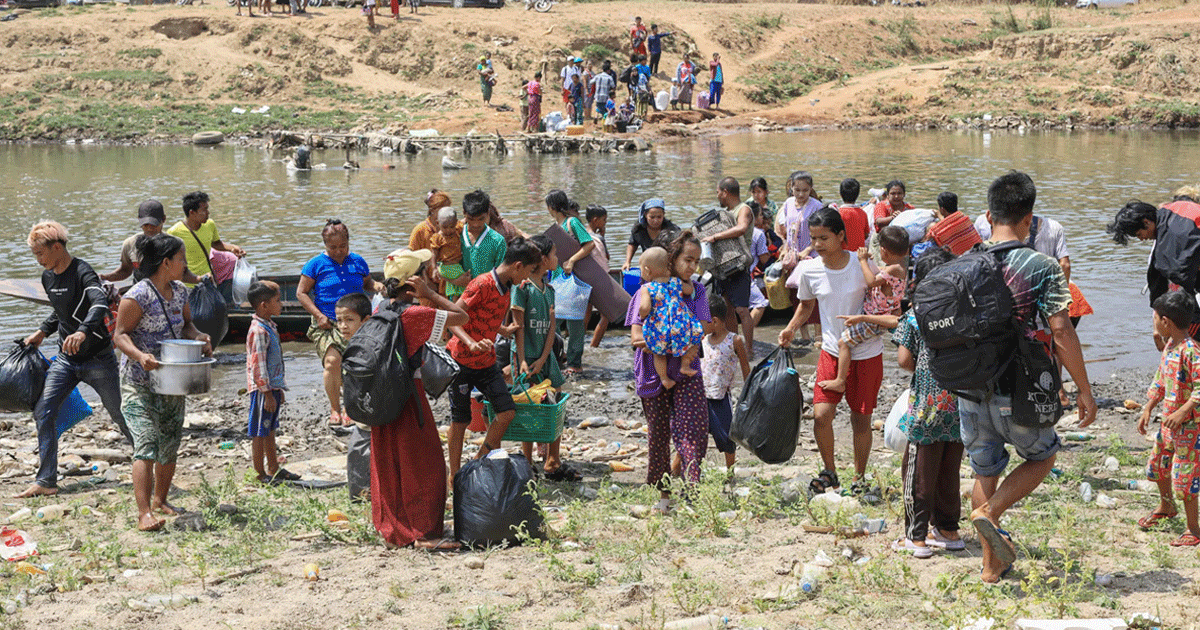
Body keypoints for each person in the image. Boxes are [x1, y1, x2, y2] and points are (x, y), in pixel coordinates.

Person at [960, 171, 1096, 583]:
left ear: (988, 214)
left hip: (969, 385)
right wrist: (1083, 390)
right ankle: (990, 511)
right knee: (1043, 454)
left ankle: (990, 567)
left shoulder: (965, 261)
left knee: (985, 470)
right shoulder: (1042, 266)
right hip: (1017, 386)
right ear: (1029, 219)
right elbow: (1061, 331)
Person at [15, 222, 132, 500]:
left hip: (98, 358)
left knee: (118, 413)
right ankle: (46, 480)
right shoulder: (48, 277)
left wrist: (82, 331)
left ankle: (149, 459)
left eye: (40, 253)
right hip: (66, 360)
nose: (38, 259)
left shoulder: (82, 271)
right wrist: (42, 331)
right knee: (44, 411)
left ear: (57, 248)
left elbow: (99, 303)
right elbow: (61, 313)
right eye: (35, 255)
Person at [779, 208, 885, 495]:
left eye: (824, 238)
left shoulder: (861, 265)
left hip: (866, 352)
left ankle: (859, 478)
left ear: (841, 236)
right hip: (830, 351)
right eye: (813, 239)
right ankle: (830, 472)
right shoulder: (810, 269)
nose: (818, 245)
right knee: (822, 415)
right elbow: (806, 305)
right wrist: (790, 328)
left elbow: (884, 295)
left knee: (860, 419)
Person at [112, 234, 212, 531]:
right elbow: (119, 335)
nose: (185, 265)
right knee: (145, 443)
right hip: (139, 381)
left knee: (170, 442)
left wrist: (200, 338)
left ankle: (161, 499)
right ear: (166, 262)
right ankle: (144, 513)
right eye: (181, 259)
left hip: (172, 380)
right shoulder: (137, 295)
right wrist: (140, 355)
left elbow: (187, 326)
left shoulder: (180, 292)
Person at [371, 249, 468, 550]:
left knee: (389, 462)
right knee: (425, 464)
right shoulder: (414, 314)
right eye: (426, 272)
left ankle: (394, 529)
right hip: (409, 398)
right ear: (414, 282)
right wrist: (431, 294)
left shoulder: (380, 310)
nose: (430, 274)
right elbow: (462, 316)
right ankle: (425, 533)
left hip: (381, 398)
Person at [887, 247, 964, 558]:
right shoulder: (964, 313)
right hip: (961, 404)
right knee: (950, 469)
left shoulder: (916, 315)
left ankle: (915, 537)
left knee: (916, 469)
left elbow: (904, 360)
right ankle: (948, 529)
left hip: (928, 406)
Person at [626, 231, 711, 513]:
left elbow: (703, 328)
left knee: (693, 431)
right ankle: (664, 496)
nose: (692, 267)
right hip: (653, 373)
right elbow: (636, 337)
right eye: (687, 260)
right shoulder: (644, 291)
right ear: (671, 259)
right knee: (659, 436)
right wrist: (671, 339)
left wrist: (668, 339)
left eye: (697, 262)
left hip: (687, 373)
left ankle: (691, 490)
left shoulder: (696, 291)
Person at [446, 238, 541, 479]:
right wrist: (470, 342)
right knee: (461, 420)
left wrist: (501, 330)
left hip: (486, 361)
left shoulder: (509, 286)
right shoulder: (481, 284)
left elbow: (481, 315)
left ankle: (477, 461)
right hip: (461, 360)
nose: (528, 278)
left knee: (507, 412)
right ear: (517, 266)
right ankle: (454, 475)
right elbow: (453, 317)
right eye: (529, 271)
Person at [297, 219, 382, 429]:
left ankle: (349, 408)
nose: (338, 251)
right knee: (333, 362)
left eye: (342, 246)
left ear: (348, 243)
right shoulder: (315, 265)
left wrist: (376, 285)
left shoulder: (357, 262)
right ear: (325, 245)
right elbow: (301, 293)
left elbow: (367, 283)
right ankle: (335, 407)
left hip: (357, 323)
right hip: (327, 322)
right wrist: (318, 316)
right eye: (332, 247)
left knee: (355, 365)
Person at [512, 235, 578, 481]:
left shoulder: (549, 290)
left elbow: (553, 328)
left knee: (555, 403)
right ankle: (527, 461)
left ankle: (553, 458)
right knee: (530, 406)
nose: (557, 259)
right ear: (541, 259)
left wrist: (544, 357)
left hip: (546, 355)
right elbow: (518, 327)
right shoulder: (522, 289)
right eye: (554, 255)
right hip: (526, 355)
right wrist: (524, 360)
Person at [1137, 290, 1200, 547]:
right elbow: (1161, 380)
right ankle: (1166, 506)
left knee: (1185, 477)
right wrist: (1149, 407)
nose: (1153, 322)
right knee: (1158, 465)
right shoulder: (1170, 347)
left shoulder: (1191, 351)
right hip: (1167, 424)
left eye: (1154, 317)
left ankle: (1193, 529)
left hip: (1190, 427)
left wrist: (1184, 410)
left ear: (1166, 322)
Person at [818, 227, 909, 394]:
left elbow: (871, 281)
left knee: (843, 342)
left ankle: (840, 380)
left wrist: (862, 261)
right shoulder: (900, 267)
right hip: (881, 315)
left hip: (874, 319)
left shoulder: (892, 269)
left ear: (883, 251)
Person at [1108, 196, 1200, 346]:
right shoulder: (1171, 210)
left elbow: (1180, 277)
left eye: (1138, 234)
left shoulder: (1174, 236)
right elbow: (1157, 276)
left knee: (1191, 330)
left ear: (1146, 222)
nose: (1141, 239)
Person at [245, 281, 300, 485]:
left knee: (269, 428)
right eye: (277, 300)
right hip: (261, 391)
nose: (281, 304)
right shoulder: (259, 331)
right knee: (260, 431)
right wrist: (267, 393)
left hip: (271, 388)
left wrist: (277, 389)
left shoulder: (269, 326)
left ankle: (274, 467)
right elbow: (258, 364)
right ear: (263, 305)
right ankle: (260, 473)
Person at [637, 247, 704, 391]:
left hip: (660, 329)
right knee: (694, 339)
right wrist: (690, 283)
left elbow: (645, 307)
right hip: (680, 325)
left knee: (658, 354)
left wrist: (642, 314)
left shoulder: (647, 287)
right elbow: (689, 290)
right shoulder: (676, 282)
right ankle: (685, 365)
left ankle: (664, 378)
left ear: (647, 271)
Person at [703, 177, 757, 355]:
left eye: (718, 192)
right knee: (727, 310)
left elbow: (741, 228)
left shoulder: (744, 209)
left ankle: (748, 349)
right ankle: (735, 346)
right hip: (723, 267)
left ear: (725, 192)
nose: (717, 196)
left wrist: (715, 237)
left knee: (742, 310)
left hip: (739, 266)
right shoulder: (726, 212)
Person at [546, 190, 595, 374]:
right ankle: (556, 359)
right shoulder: (555, 226)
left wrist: (573, 260)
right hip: (557, 280)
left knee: (575, 323)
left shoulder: (571, 222)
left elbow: (589, 244)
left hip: (574, 280)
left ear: (551, 207)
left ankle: (575, 363)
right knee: (554, 322)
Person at [700, 297, 751, 473]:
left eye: (702, 320)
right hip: (700, 396)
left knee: (725, 437)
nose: (700, 324)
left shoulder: (734, 340)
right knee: (695, 435)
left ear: (714, 321)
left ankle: (730, 472)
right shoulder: (703, 340)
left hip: (720, 397)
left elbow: (745, 366)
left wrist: (749, 391)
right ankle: (677, 471)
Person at [167, 191, 245, 297]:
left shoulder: (209, 224)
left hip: (207, 281)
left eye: (207, 208)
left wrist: (232, 248)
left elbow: (216, 243)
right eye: (204, 210)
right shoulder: (174, 232)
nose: (208, 212)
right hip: (186, 286)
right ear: (192, 213)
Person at [462, 190, 508, 281]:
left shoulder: (497, 241)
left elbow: (502, 275)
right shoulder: (454, 235)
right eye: (471, 219)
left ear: (488, 214)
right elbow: (442, 266)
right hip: (458, 293)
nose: (476, 224)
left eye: (480, 219)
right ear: (464, 213)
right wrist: (456, 280)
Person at [624, 198, 680, 272]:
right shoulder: (639, 230)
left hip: (667, 266)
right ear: (645, 215)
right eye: (652, 217)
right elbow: (632, 244)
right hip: (648, 266)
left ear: (663, 215)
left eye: (659, 217)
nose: (655, 221)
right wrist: (627, 262)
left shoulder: (672, 230)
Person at [585, 205, 612, 347]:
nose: (605, 223)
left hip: (584, 277)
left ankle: (579, 342)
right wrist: (603, 235)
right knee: (606, 315)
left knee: (586, 312)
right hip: (599, 279)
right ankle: (594, 345)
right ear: (595, 220)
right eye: (604, 220)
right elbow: (606, 257)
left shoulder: (580, 234)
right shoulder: (598, 237)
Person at [927, 192, 982, 256]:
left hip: (957, 260)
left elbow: (949, 227)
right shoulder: (965, 220)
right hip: (977, 255)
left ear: (942, 209)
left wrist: (939, 216)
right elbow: (950, 224)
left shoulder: (938, 232)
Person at [430, 207, 467, 299]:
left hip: (456, 266)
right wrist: (434, 269)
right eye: (445, 227)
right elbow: (434, 253)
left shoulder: (457, 230)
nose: (449, 230)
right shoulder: (438, 237)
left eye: (451, 227)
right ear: (438, 223)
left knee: (458, 289)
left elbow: (465, 220)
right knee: (461, 286)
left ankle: (455, 307)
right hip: (447, 267)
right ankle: (456, 308)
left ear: (455, 223)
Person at [834, 178, 871, 252]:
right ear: (857, 194)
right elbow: (866, 235)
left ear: (841, 193)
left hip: (842, 255)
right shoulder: (863, 213)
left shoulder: (837, 213)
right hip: (859, 254)